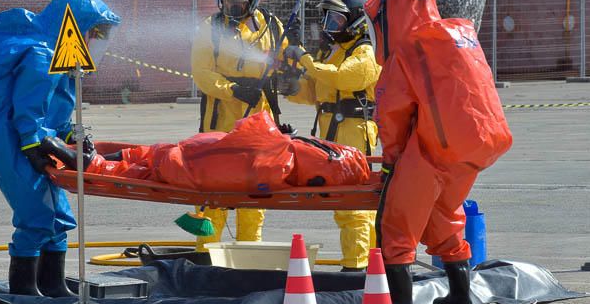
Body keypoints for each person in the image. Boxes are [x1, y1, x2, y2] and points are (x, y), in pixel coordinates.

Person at [0, 0, 121, 296]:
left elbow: (58, 111)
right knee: (35, 213)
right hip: (8, 134)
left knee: (59, 216)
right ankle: (24, 290)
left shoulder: (61, 58)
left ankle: (52, 284)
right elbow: (28, 111)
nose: (99, 42)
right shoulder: (42, 53)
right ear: (77, 27)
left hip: (31, 136)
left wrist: (71, 136)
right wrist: (37, 145)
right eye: (97, 33)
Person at [363, 0, 512, 304]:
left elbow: (392, 116)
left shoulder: (405, 52)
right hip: (477, 146)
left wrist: (391, 165)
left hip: (433, 151)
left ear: (389, 17)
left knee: (396, 224)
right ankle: (461, 295)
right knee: (444, 217)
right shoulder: (458, 35)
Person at [279, 0, 381, 272]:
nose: (330, 27)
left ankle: (358, 266)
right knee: (344, 204)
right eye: (328, 20)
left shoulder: (366, 52)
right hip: (332, 135)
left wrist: (304, 59)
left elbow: (342, 79)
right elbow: (316, 92)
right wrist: (291, 86)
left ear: (356, 20)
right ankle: (372, 261)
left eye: (336, 20)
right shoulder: (334, 52)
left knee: (353, 205)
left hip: (353, 133)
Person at [189, 0, 289, 251]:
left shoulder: (272, 26)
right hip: (219, 123)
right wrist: (233, 89)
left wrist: (292, 74)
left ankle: (250, 252)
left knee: (255, 191)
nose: (230, 7)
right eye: (227, 1)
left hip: (259, 124)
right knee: (213, 194)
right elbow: (202, 73)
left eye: (238, 2)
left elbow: (281, 66)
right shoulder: (210, 28)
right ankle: (204, 253)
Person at [41, 111, 371, 189]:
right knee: (161, 157)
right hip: (226, 148)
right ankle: (93, 159)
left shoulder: (286, 163)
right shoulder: (332, 160)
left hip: (215, 159)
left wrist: (274, 135)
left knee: (161, 162)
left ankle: (91, 162)